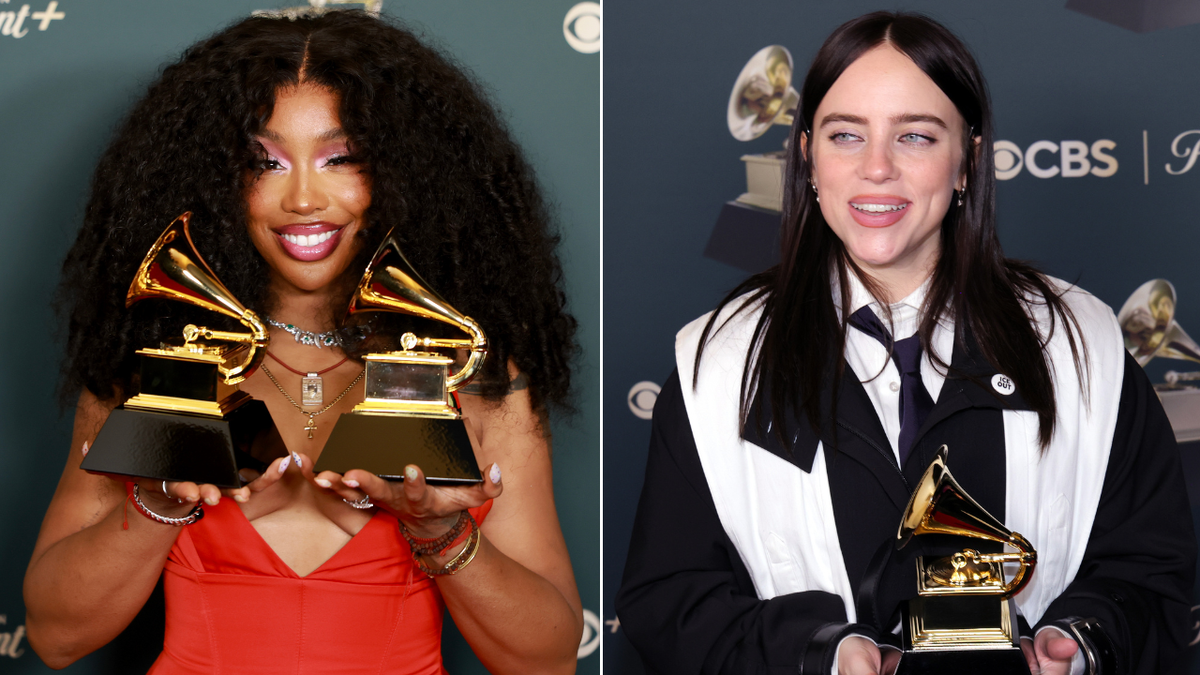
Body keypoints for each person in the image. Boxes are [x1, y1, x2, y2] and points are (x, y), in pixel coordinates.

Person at [617, 11, 1195, 675]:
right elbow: (668, 600)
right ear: (807, 157)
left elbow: (1152, 571)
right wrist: (821, 653)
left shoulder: (1082, 343)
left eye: (915, 136)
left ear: (967, 162)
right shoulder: (716, 364)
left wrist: (1086, 638)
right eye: (845, 135)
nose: (877, 169)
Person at [24, 10, 583, 674]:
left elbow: (546, 659)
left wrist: (438, 528)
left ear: (404, 172)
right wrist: (157, 505)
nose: (304, 198)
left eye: (341, 158)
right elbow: (55, 636)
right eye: (265, 161)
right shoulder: (160, 366)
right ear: (214, 177)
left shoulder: (483, 378)